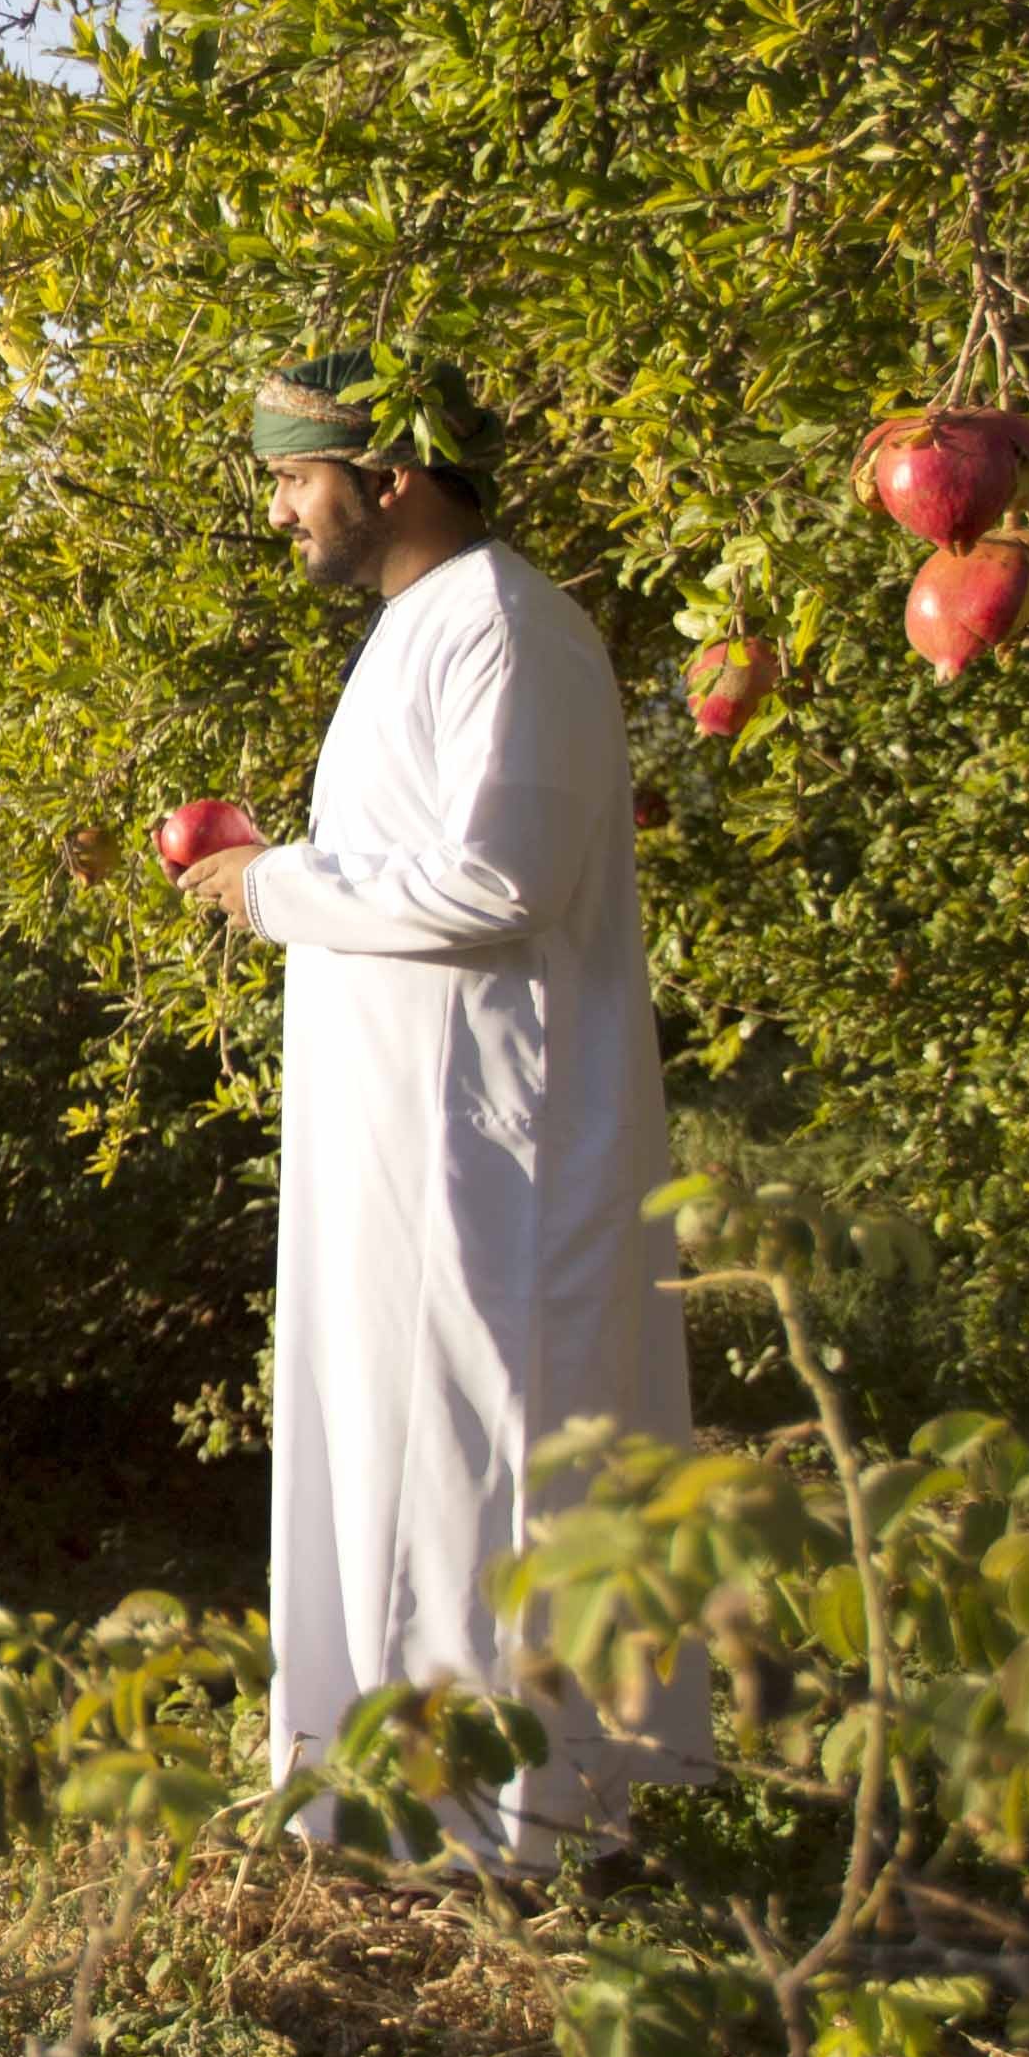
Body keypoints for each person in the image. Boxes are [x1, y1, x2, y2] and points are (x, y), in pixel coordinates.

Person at [170, 349, 696, 1855]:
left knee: (485, 1462)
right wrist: (284, 869)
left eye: (291, 479)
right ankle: (387, 1796)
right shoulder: (425, 630)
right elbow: (416, 865)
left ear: (387, 476)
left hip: (497, 1151)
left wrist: (271, 884)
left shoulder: (510, 632)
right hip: (410, 1144)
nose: (281, 512)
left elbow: (500, 883)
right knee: (395, 1452)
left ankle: (508, 1829)